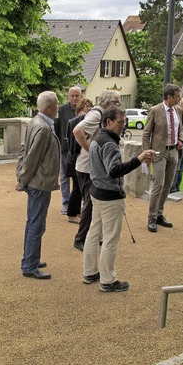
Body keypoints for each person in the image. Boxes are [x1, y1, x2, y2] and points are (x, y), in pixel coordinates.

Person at [83, 106, 155, 292]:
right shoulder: (109, 143)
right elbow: (114, 171)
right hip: (109, 196)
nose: (123, 125)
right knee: (110, 239)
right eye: (121, 122)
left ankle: (90, 272)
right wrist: (138, 159)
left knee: (94, 232)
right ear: (109, 122)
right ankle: (108, 280)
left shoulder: (97, 138)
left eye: (124, 122)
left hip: (96, 191)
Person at [16, 91, 60, 280]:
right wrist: (22, 179)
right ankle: (30, 265)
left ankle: (30, 259)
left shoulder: (36, 121)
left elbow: (24, 150)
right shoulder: (42, 127)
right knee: (36, 224)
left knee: (33, 223)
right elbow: (32, 157)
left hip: (38, 181)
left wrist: (21, 176)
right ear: (49, 107)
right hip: (39, 183)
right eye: (57, 104)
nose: (59, 106)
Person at [72, 90, 122, 250]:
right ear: (108, 103)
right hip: (87, 167)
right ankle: (80, 239)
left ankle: (93, 237)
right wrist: (89, 150)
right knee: (89, 204)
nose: (118, 107)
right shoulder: (96, 115)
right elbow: (77, 131)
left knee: (93, 204)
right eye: (117, 103)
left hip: (89, 166)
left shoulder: (99, 114)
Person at [142, 84, 183, 232]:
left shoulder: (178, 110)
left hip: (173, 152)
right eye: (177, 96)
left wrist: (181, 140)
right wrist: (147, 152)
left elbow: (181, 129)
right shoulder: (155, 110)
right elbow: (146, 133)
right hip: (159, 153)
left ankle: (159, 214)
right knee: (158, 185)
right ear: (169, 97)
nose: (179, 99)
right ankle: (151, 217)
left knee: (168, 185)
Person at [65, 98, 93, 223]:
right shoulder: (78, 121)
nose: (90, 108)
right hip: (76, 158)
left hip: (75, 158)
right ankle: (72, 214)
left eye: (91, 106)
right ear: (81, 108)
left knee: (78, 187)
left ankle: (76, 212)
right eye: (87, 106)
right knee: (77, 188)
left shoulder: (76, 121)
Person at [55, 87, 82, 214]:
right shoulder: (62, 110)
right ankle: (65, 202)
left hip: (80, 151)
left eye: (77, 95)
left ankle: (77, 202)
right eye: (72, 95)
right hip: (65, 150)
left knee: (79, 178)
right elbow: (57, 129)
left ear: (80, 96)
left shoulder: (84, 110)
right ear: (68, 96)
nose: (75, 98)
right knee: (64, 177)